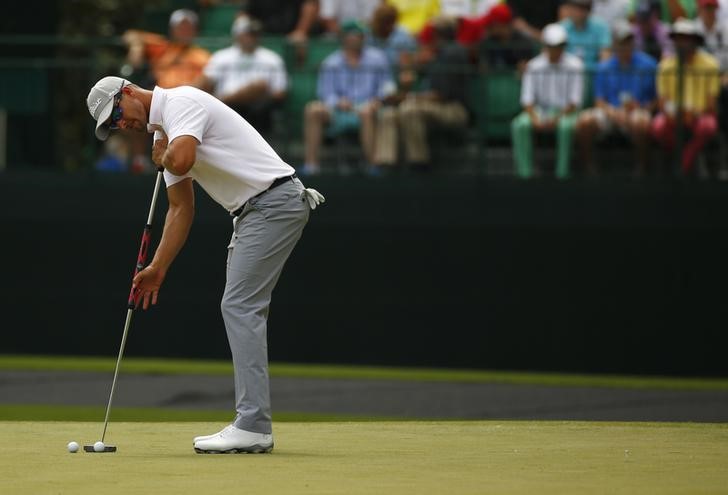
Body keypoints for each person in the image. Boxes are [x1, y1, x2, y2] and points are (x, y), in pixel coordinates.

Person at [85, 76, 325, 453]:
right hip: (255, 211)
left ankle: (253, 426)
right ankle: (253, 424)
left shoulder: (181, 103)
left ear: (128, 91)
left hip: (273, 203)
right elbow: (181, 207)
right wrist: (159, 266)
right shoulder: (163, 134)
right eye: (111, 124)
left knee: (239, 305)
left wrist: (163, 158)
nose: (120, 124)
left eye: (116, 113)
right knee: (240, 305)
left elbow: (181, 159)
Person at [373, 15, 470, 170]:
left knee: (409, 109)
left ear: (438, 34)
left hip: (453, 109)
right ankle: (386, 165)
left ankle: (418, 164)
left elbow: (441, 95)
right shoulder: (434, 55)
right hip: (430, 106)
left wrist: (407, 97)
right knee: (388, 114)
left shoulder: (454, 52)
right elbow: (413, 79)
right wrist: (413, 67)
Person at [121, 9, 211, 174]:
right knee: (132, 113)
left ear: (195, 30)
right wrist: (136, 47)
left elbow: (208, 80)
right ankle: (139, 162)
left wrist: (188, 93)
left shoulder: (202, 55)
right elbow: (131, 34)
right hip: (161, 101)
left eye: (188, 27)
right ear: (172, 30)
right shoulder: (163, 48)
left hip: (188, 104)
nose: (184, 31)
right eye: (180, 27)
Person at [301, 20, 392, 175]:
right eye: (352, 36)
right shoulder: (331, 62)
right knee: (313, 109)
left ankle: (373, 166)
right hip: (340, 110)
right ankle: (311, 165)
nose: (356, 39)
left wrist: (379, 99)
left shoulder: (378, 58)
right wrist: (338, 102)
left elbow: (388, 86)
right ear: (344, 38)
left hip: (370, 108)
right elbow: (325, 93)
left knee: (366, 112)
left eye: (360, 35)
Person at [576, 20, 657, 176]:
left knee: (640, 122)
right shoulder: (603, 67)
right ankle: (588, 169)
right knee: (585, 121)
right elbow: (599, 101)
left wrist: (643, 108)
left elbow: (656, 100)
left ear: (633, 42)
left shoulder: (649, 65)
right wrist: (613, 112)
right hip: (610, 112)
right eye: (621, 42)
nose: (625, 46)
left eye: (628, 41)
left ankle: (642, 169)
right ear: (614, 44)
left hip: (638, 111)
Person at [511, 23, 584, 179]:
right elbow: (527, 100)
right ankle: (525, 174)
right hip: (539, 111)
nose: (555, 50)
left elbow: (575, 101)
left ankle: (562, 175)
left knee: (565, 127)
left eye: (559, 46)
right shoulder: (533, 66)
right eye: (551, 46)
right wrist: (535, 118)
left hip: (566, 113)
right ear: (544, 45)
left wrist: (556, 118)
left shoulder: (576, 65)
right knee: (520, 125)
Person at [194, 17, 288, 135]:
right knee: (201, 87)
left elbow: (280, 92)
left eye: (254, 34)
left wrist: (249, 93)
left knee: (259, 86)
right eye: (248, 34)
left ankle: (221, 101)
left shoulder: (272, 58)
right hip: (228, 107)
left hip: (258, 107)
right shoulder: (222, 56)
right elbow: (207, 81)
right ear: (237, 35)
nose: (251, 38)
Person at [651, 18, 720, 174]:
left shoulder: (710, 64)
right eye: (678, 38)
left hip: (700, 115)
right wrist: (675, 114)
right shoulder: (665, 66)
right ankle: (685, 158)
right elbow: (662, 103)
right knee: (658, 126)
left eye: (686, 38)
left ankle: (682, 163)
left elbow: (712, 105)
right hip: (673, 116)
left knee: (708, 126)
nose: (681, 42)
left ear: (695, 41)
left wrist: (693, 113)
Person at [478, 4, 536, 71]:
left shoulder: (523, 42)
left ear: (502, 26)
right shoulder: (488, 42)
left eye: (491, 24)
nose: (488, 27)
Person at [560, 0, 612, 67]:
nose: (578, 13)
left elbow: (605, 55)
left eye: (582, 9)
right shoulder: (562, 27)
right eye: (575, 8)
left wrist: (601, 71)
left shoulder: (601, 27)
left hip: (594, 72)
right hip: (569, 73)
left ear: (589, 11)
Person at [241, 0, 321, 42]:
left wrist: (301, 31)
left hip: (293, 37)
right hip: (264, 36)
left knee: (299, 42)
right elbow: (245, 14)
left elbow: (311, 5)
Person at [366, 3, 417, 67]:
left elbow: (411, 64)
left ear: (393, 23)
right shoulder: (367, 36)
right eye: (378, 22)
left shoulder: (404, 38)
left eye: (384, 23)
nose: (380, 26)